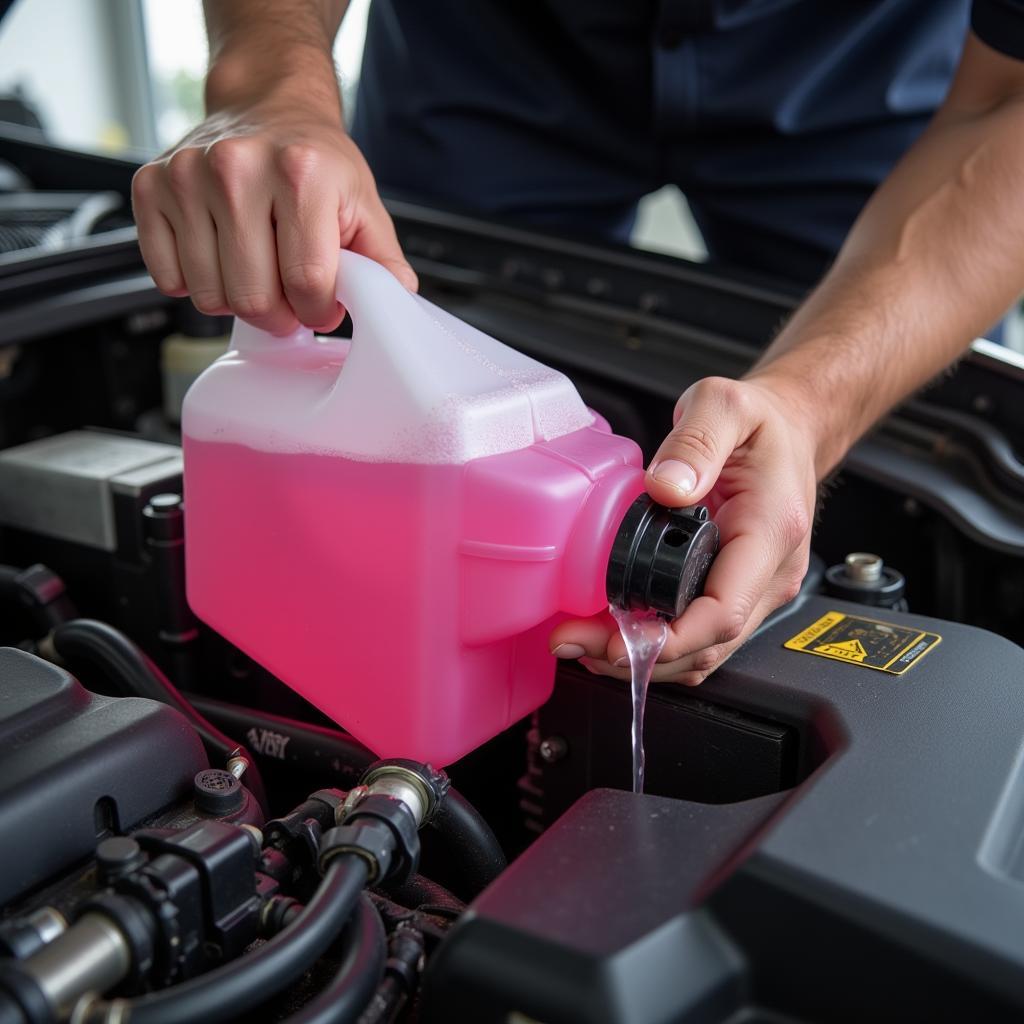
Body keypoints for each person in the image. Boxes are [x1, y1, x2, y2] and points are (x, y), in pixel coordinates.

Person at [132, 0, 1024, 685]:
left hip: (857, 59)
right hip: (493, 45)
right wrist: (267, 87)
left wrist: (809, 405)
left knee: (881, 424)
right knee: (387, 355)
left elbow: (1010, 105)